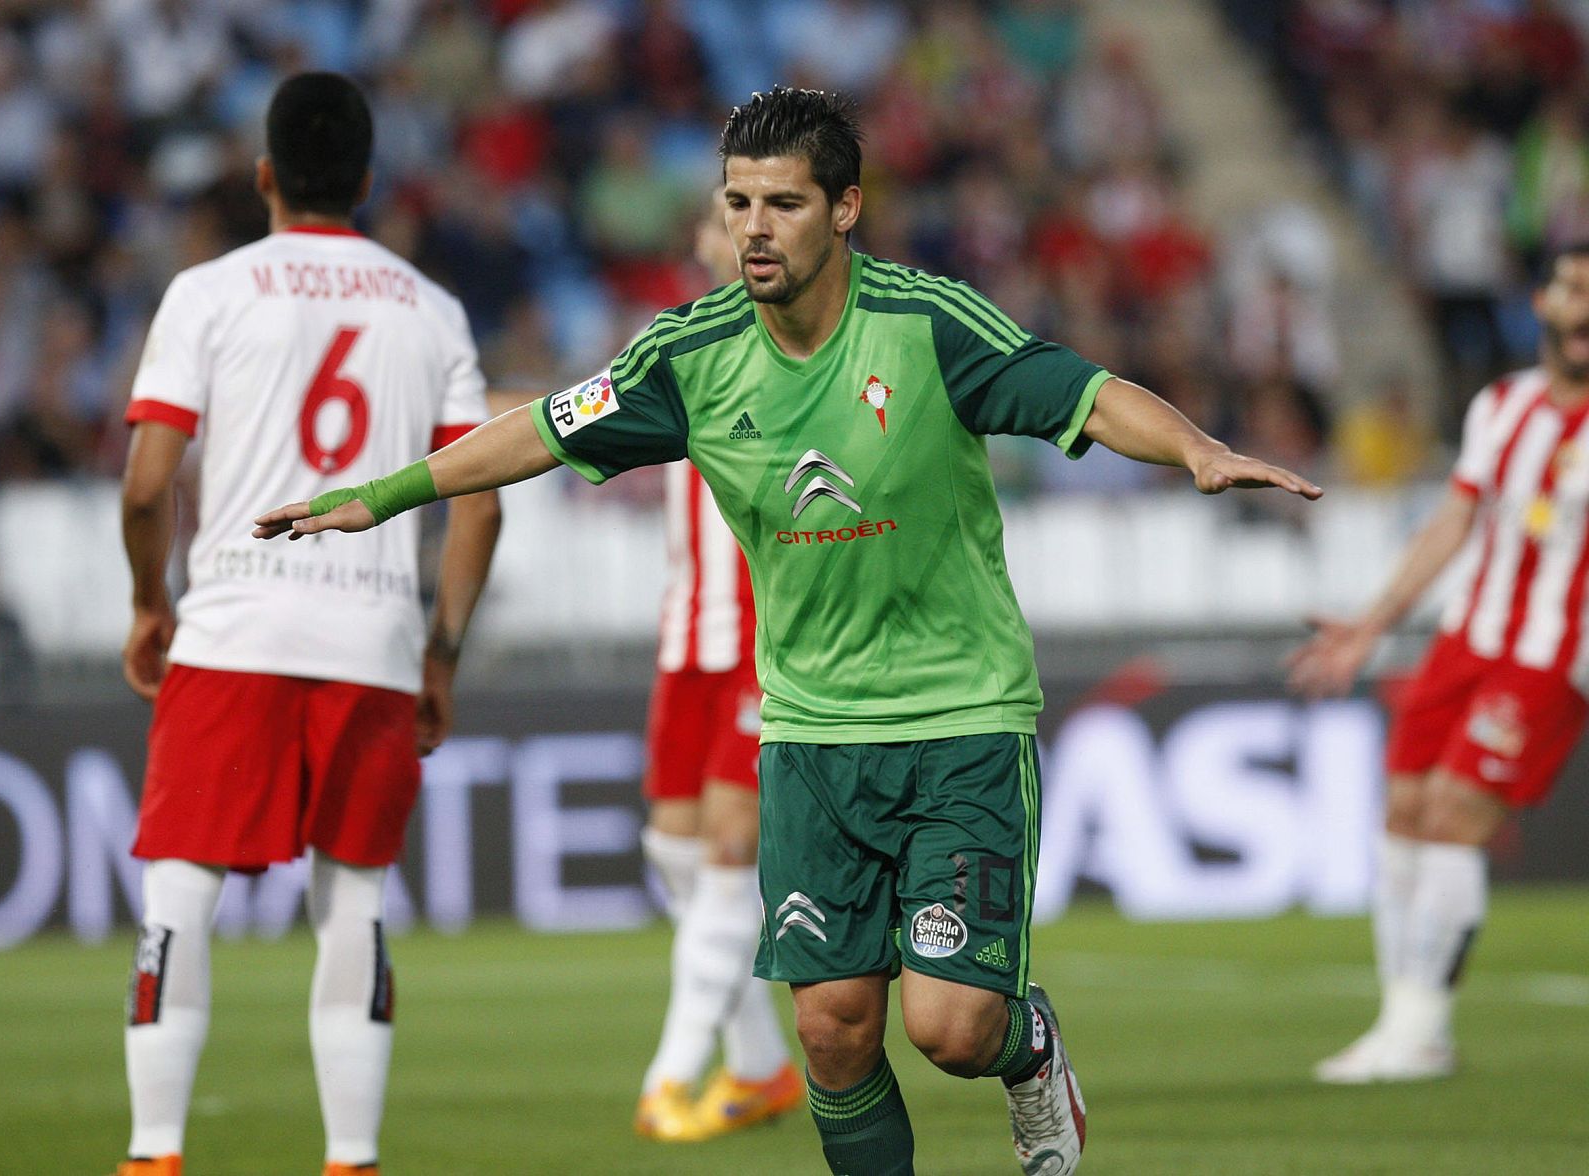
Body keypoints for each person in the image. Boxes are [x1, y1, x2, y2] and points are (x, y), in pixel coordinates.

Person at [256, 87, 1320, 1176]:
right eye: (736, 203)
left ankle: (1031, 1053)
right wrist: (382, 497)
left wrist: (1193, 447)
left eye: (782, 204)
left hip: (957, 722)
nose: (752, 229)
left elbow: (1082, 393)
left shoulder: (926, 324)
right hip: (810, 738)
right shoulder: (690, 354)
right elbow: (540, 428)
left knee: (949, 1029)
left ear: (846, 208)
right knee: (830, 1030)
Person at [117, 72, 501, 1176]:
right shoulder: (431, 309)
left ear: (264, 176)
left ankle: (154, 1153)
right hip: (373, 638)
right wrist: (441, 649)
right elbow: (477, 496)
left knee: (180, 894)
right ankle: (351, 1157)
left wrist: (150, 600)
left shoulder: (207, 291)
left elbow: (148, 484)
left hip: (231, 623)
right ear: (370, 181)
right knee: (353, 904)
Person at [1289, 241, 1589, 1085]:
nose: (1585, 310)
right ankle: (1402, 1022)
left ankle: (1423, 1030)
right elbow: (1455, 522)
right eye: (1573, 290)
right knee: (1407, 809)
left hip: (1551, 654)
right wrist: (1373, 624)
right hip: (1466, 637)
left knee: (1456, 811)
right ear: (1543, 305)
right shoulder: (1503, 404)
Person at [634, 192, 802, 1143]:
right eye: (718, 217)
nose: (734, 230)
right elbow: (562, 415)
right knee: (676, 855)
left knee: (731, 857)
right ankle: (761, 1068)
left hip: (758, 634)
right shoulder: (671, 343)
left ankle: (670, 1076)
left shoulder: (795, 335)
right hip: (685, 635)